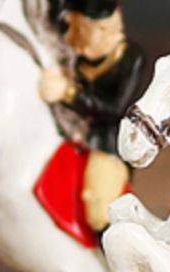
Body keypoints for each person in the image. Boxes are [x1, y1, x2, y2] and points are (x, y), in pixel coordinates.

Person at [39, 1, 147, 236]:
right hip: (67, 131)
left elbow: (115, 109)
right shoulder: (73, 53)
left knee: (99, 206)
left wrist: (68, 93)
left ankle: (109, 251)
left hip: (106, 143)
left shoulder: (130, 58)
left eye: (80, 29)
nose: (72, 35)